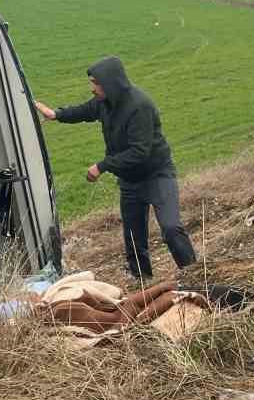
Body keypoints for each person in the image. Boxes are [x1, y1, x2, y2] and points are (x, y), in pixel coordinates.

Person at [34, 57, 197, 281]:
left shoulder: (139, 106)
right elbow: (84, 111)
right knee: (133, 239)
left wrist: (102, 166)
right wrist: (56, 115)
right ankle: (142, 281)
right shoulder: (105, 102)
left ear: (111, 82)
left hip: (157, 175)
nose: (92, 88)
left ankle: (195, 274)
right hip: (130, 180)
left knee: (171, 228)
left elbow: (139, 152)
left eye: (95, 83)